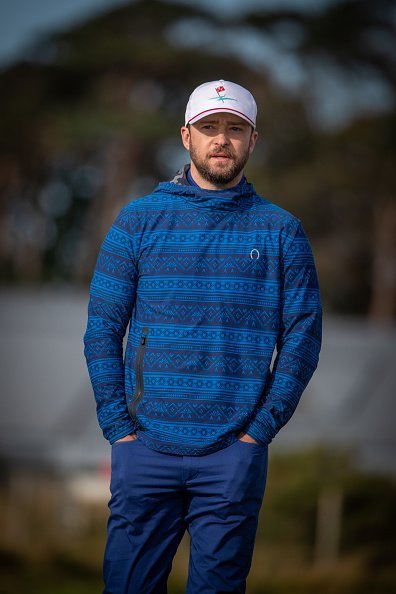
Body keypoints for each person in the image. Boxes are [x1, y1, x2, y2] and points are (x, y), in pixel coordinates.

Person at [83, 79, 322, 594]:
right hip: (143, 447)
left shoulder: (281, 231)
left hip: (232, 454)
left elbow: (303, 336)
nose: (221, 139)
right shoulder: (138, 220)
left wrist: (257, 434)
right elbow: (102, 326)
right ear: (185, 136)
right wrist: (117, 429)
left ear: (253, 140)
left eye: (235, 129)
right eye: (209, 127)